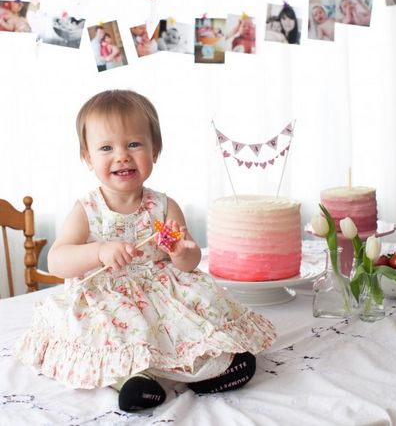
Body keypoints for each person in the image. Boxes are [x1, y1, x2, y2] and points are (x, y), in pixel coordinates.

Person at [13, 90, 276, 412]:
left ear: (155, 150)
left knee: (192, 324)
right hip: (106, 295)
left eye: (134, 144)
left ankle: (211, 370)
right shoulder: (88, 208)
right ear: (87, 157)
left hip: (161, 293)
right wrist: (98, 251)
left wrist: (182, 252)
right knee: (109, 332)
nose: (122, 156)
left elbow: (189, 263)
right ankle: (133, 380)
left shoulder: (164, 205)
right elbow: (57, 260)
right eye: (106, 148)